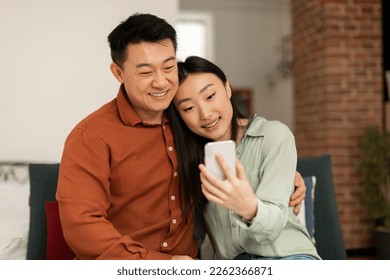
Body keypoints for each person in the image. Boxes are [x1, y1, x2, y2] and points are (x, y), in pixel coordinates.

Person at [56, 13, 306, 260]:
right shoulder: (91, 137)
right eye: (145, 72)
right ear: (118, 73)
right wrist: (161, 265)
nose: (161, 82)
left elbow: (242, 151)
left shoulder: (190, 121)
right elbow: (82, 228)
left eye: (168, 67)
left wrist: (286, 173)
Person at [168, 56, 320, 260]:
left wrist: (249, 207)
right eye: (188, 108)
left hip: (289, 257)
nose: (205, 114)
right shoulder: (190, 161)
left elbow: (273, 225)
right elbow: (197, 237)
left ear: (228, 88)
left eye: (210, 96)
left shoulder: (274, 136)